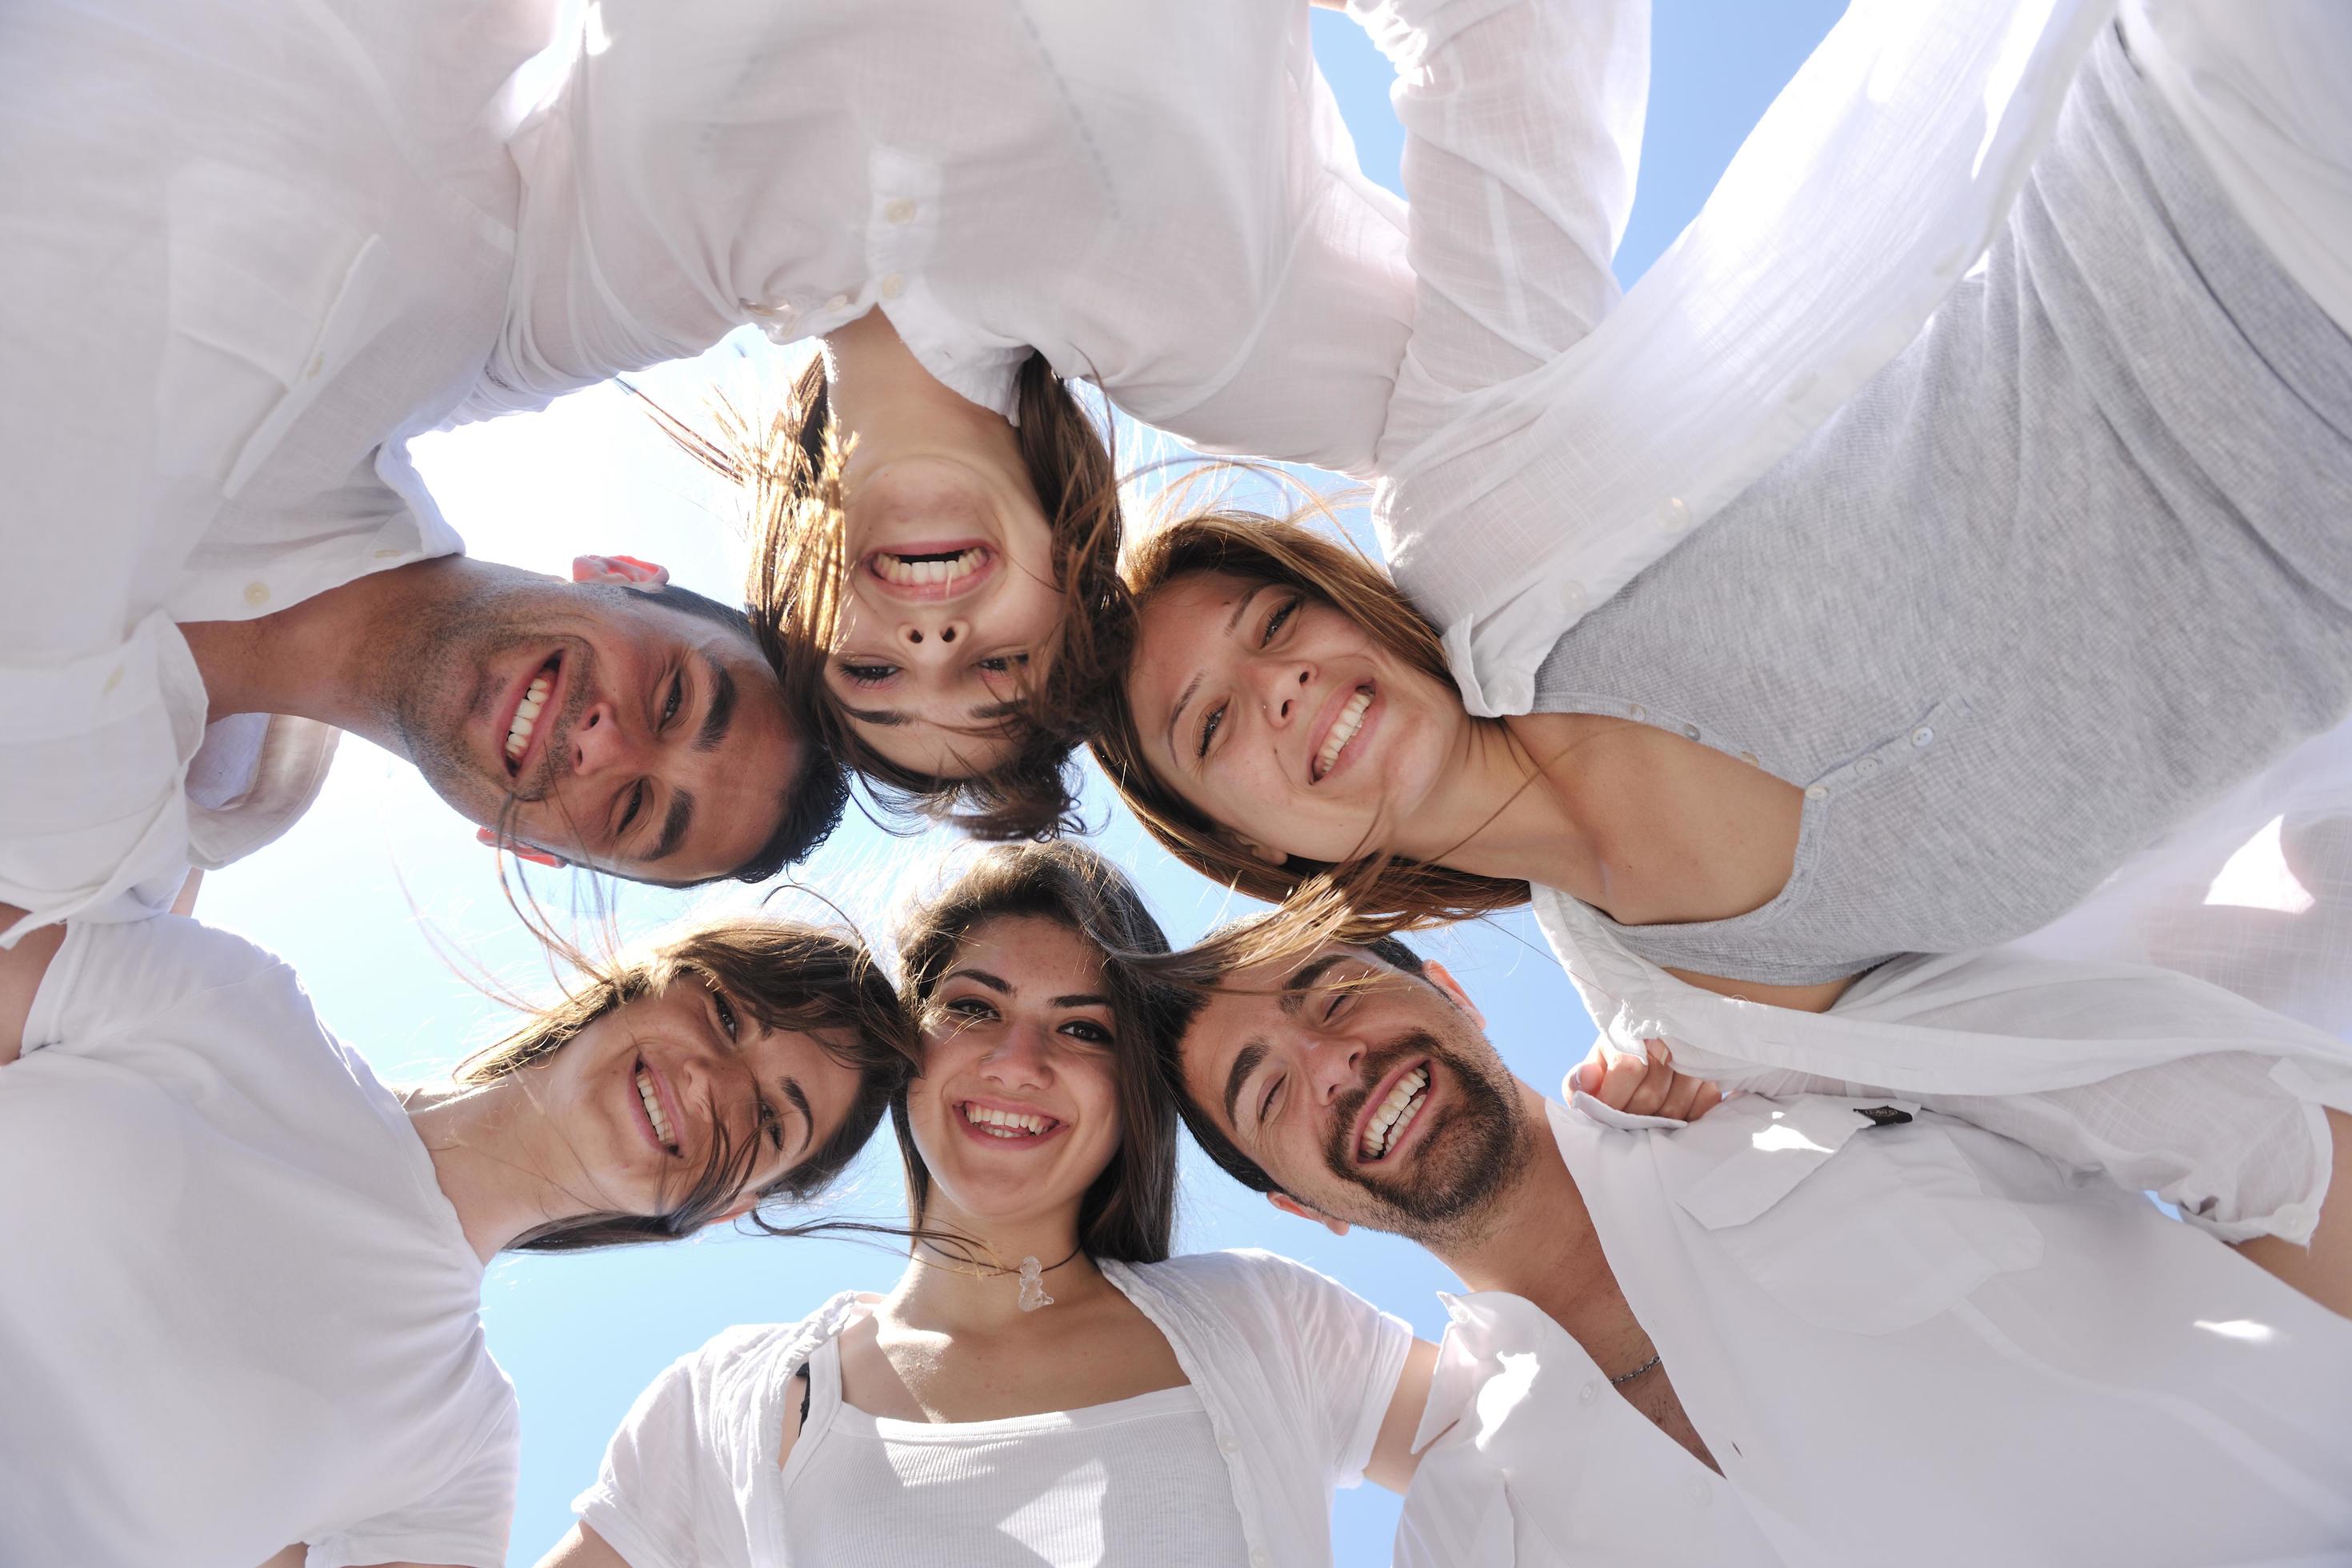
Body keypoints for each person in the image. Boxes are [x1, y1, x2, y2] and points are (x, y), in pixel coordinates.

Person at [1095, 2, 2352, 1014]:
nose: (1281, 688)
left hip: (2231, 173)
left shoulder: (1478, 504)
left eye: (1271, 623)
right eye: (1212, 727)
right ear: (1254, 848)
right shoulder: (1706, 1011)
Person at [480, 0, 1645, 828]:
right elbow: (1512, 416)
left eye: (875, 678)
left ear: (795, 601)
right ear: (1077, 579)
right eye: (1001, 669)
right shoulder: (1216, 334)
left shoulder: (613, 274)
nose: (935, 643)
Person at [0, 0, 845, 950]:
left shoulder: (96, 874)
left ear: (526, 849)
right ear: (622, 572)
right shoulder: (443, 268)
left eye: (634, 810)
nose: (607, 744)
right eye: (674, 699)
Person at [1164, 930, 2352, 1563]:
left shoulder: (1792, 1077)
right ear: (1299, 1207)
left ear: (1455, 991)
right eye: (1268, 1094)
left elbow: (2228, 1110)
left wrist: (1766, 1048)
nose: (1335, 1065)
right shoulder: (1464, 1531)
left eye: (1336, 996)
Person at [535, 842, 1438, 1568]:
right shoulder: (726, 1402)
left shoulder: (1263, 1319)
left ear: (1133, 1097)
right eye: (973, 1008)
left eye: (1083, 1029)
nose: (1018, 1060)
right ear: (909, 1049)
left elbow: (1545, 1437)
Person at [0, 896, 909, 1568]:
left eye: (770, 1118)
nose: (715, 1076)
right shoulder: (227, 999)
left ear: (730, 1208)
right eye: (726, 1012)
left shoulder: (457, 1459)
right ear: (653, 973)